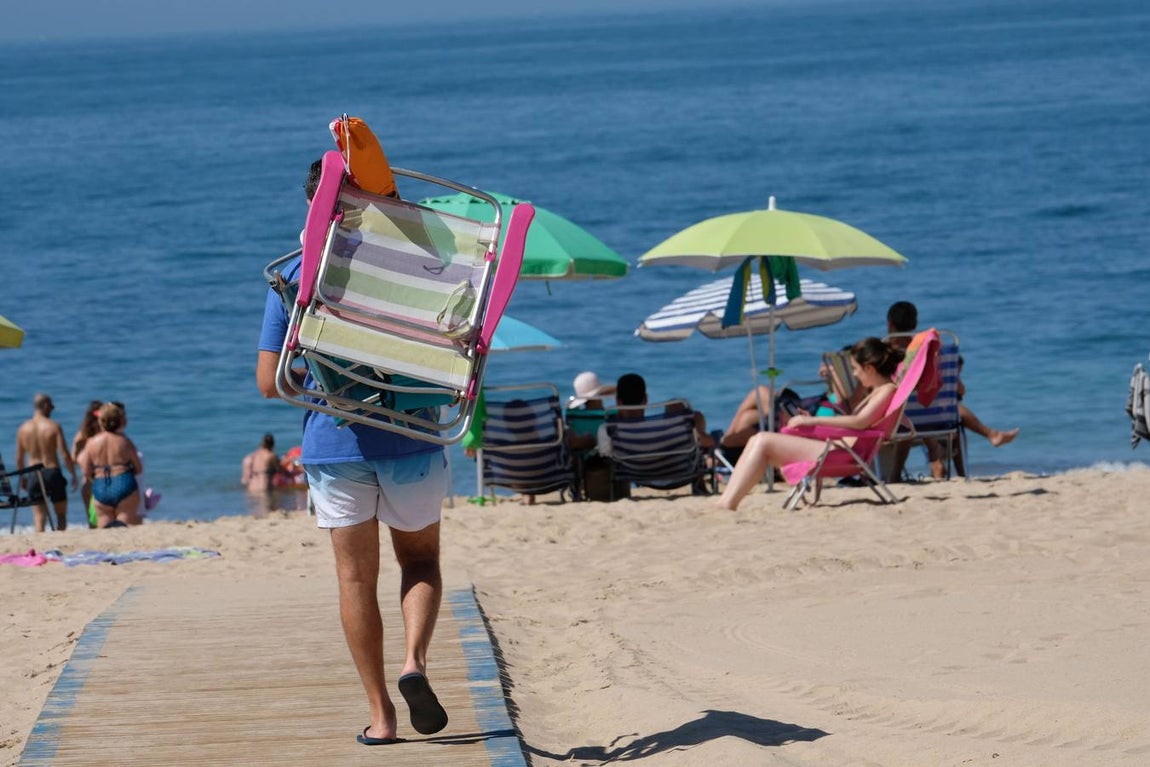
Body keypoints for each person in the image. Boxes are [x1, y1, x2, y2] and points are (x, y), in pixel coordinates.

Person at [254, 158, 450, 745]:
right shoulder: (419, 266)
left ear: (315, 206)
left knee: (354, 580)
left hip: (334, 443)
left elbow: (269, 384)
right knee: (419, 561)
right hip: (410, 435)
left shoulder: (295, 274)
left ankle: (382, 718)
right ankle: (414, 661)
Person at [714, 338, 904, 511]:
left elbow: (860, 422)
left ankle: (728, 503)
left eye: (856, 368)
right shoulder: (881, 391)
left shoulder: (886, 391)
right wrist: (813, 424)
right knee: (758, 440)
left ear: (869, 368)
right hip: (844, 449)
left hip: (845, 453)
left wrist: (812, 421)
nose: (854, 374)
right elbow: (861, 423)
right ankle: (726, 501)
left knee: (762, 441)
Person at [886, 301, 1019, 478]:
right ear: (915, 324)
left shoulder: (884, 354)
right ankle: (976, 454)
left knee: (911, 416)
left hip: (899, 422)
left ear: (890, 324)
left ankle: (897, 475)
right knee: (954, 411)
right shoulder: (931, 352)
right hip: (936, 420)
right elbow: (960, 390)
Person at [16, 393, 78, 532]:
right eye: (51, 405)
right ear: (44, 406)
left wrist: (23, 479)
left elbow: (19, 458)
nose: (53, 408)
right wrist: (73, 474)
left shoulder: (23, 429)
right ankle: (60, 543)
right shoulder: (54, 426)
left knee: (39, 516)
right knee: (61, 515)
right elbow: (64, 454)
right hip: (52, 471)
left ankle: (39, 549)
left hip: (33, 473)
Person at [78, 402, 145, 527]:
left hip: (101, 486)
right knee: (124, 529)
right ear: (119, 421)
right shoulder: (124, 441)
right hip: (124, 482)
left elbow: (86, 471)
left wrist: (96, 476)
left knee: (105, 531)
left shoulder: (92, 443)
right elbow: (138, 468)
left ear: (101, 421)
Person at [71, 399, 103, 527]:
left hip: (87, 482)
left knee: (92, 521)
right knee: (105, 518)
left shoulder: (82, 434)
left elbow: (74, 457)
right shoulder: (105, 433)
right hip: (103, 480)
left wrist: (84, 463)